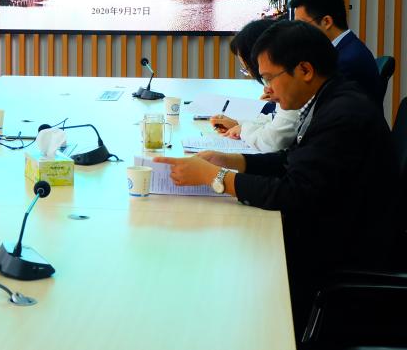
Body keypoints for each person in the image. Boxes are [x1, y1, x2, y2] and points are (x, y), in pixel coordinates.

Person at [155, 21, 396, 331]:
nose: (267, 89)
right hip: (332, 231)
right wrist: (232, 160)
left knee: (224, 276)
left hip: (338, 258)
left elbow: (293, 193)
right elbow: (292, 160)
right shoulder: (330, 98)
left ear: (305, 70)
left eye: (270, 78)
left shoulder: (343, 115)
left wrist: (217, 178)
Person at [208, 18, 298, 152]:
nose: (266, 88)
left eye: (247, 68)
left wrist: (243, 130)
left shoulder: (292, 89)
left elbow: (274, 140)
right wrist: (240, 124)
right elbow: (276, 120)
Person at [289, 0, 384, 105]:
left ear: (327, 22)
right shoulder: (344, 48)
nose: (299, 32)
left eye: (302, 25)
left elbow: (317, 104)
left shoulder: (347, 62)